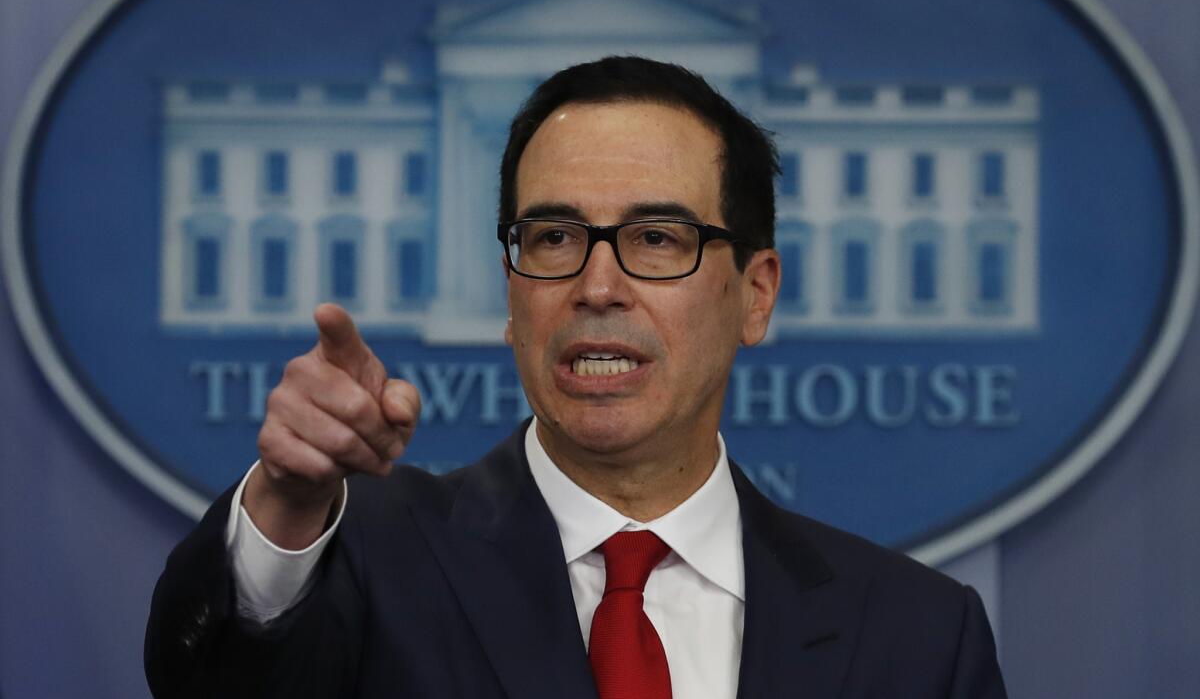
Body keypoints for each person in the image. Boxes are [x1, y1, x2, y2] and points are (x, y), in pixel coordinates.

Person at [146, 56, 1007, 698]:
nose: (597, 287)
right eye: (555, 238)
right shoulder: (367, 559)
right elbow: (216, 678)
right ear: (513, 296)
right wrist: (287, 505)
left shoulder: (918, 636)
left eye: (658, 238)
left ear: (755, 293)